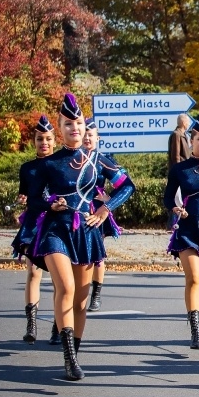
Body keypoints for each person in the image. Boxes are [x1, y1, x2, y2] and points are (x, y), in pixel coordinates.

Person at [28, 93, 135, 380]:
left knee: (81, 300)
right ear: (59, 129)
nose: (74, 128)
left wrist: (104, 209)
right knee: (65, 287)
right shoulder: (49, 164)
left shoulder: (99, 160)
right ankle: (68, 358)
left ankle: (74, 348)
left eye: (77, 123)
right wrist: (50, 203)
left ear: (84, 128)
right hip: (55, 231)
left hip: (86, 232)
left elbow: (127, 187)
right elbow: (34, 200)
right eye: (67, 124)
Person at [164, 115, 199, 349]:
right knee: (194, 278)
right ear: (191, 140)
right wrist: (175, 207)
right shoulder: (180, 169)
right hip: (187, 228)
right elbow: (168, 196)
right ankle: (195, 330)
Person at [13, 115, 56, 344]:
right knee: (33, 272)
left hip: (57, 223)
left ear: (54, 141)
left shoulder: (60, 163)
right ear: (34, 141)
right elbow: (26, 194)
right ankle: (31, 325)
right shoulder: (27, 168)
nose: (44, 143)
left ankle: (59, 326)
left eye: (48, 138)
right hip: (34, 223)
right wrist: (23, 200)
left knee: (60, 278)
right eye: (40, 139)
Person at [83, 119, 120, 312]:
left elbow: (124, 185)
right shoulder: (73, 160)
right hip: (77, 210)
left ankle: (96, 294)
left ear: (97, 138)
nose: (87, 138)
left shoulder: (104, 160)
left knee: (97, 254)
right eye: (85, 134)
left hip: (98, 210)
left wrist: (109, 199)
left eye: (91, 135)